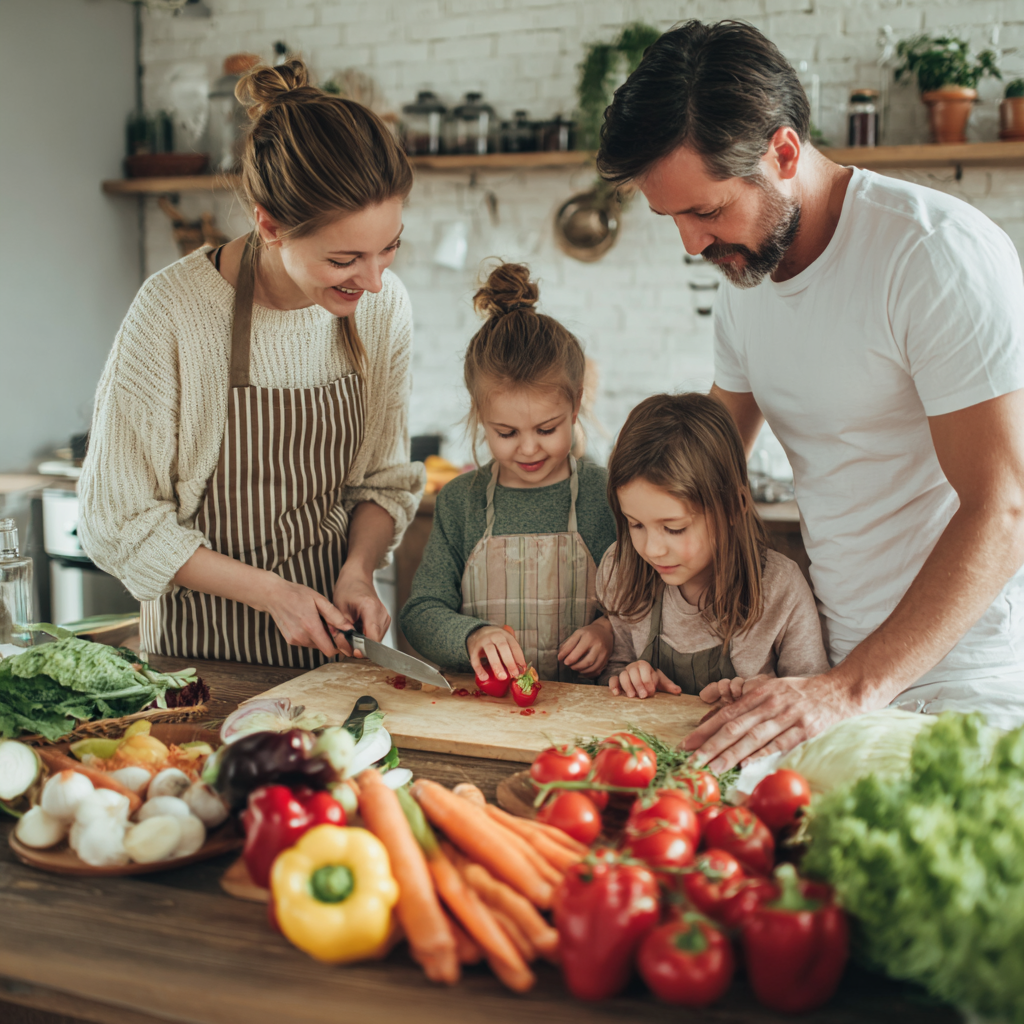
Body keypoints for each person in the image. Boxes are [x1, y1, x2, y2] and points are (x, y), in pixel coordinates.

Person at [598, 21, 1024, 769]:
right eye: (672, 218)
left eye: (705, 210)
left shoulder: (934, 255)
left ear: (783, 152)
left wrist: (848, 691)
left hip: (962, 681)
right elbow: (704, 465)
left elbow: (1005, 506)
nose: (691, 247)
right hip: (828, 670)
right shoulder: (745, 276)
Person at [79, 60, 424, 668]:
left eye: (389, 247)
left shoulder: (382, 306)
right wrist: (272, 594)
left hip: (333, 662)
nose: (373, 280)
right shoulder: (174, 312)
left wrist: (358, 570)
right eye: (345, 258)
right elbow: (120, 520)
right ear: (270, 224)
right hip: (196, 667)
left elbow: (383, 480)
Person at [400, 262, 617, 684]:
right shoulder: (462, 500)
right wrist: (472, 635)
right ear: (480, 415)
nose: (529, 447)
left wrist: (608, 630)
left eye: (547, 428)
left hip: (584, 711)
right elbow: (420, 613)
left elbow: (648, 603)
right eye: (506, 432)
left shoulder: (602, 493)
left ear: (575, 405)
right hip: (484, 709)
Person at [600, 393, 828, 699]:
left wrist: (765, 694)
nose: (652, 549)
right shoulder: (621, 569)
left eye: (674, 528)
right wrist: (628, 678)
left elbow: (812, 695)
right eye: (635, 524)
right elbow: (611, 671)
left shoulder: (781, 588)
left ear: (734, 507)